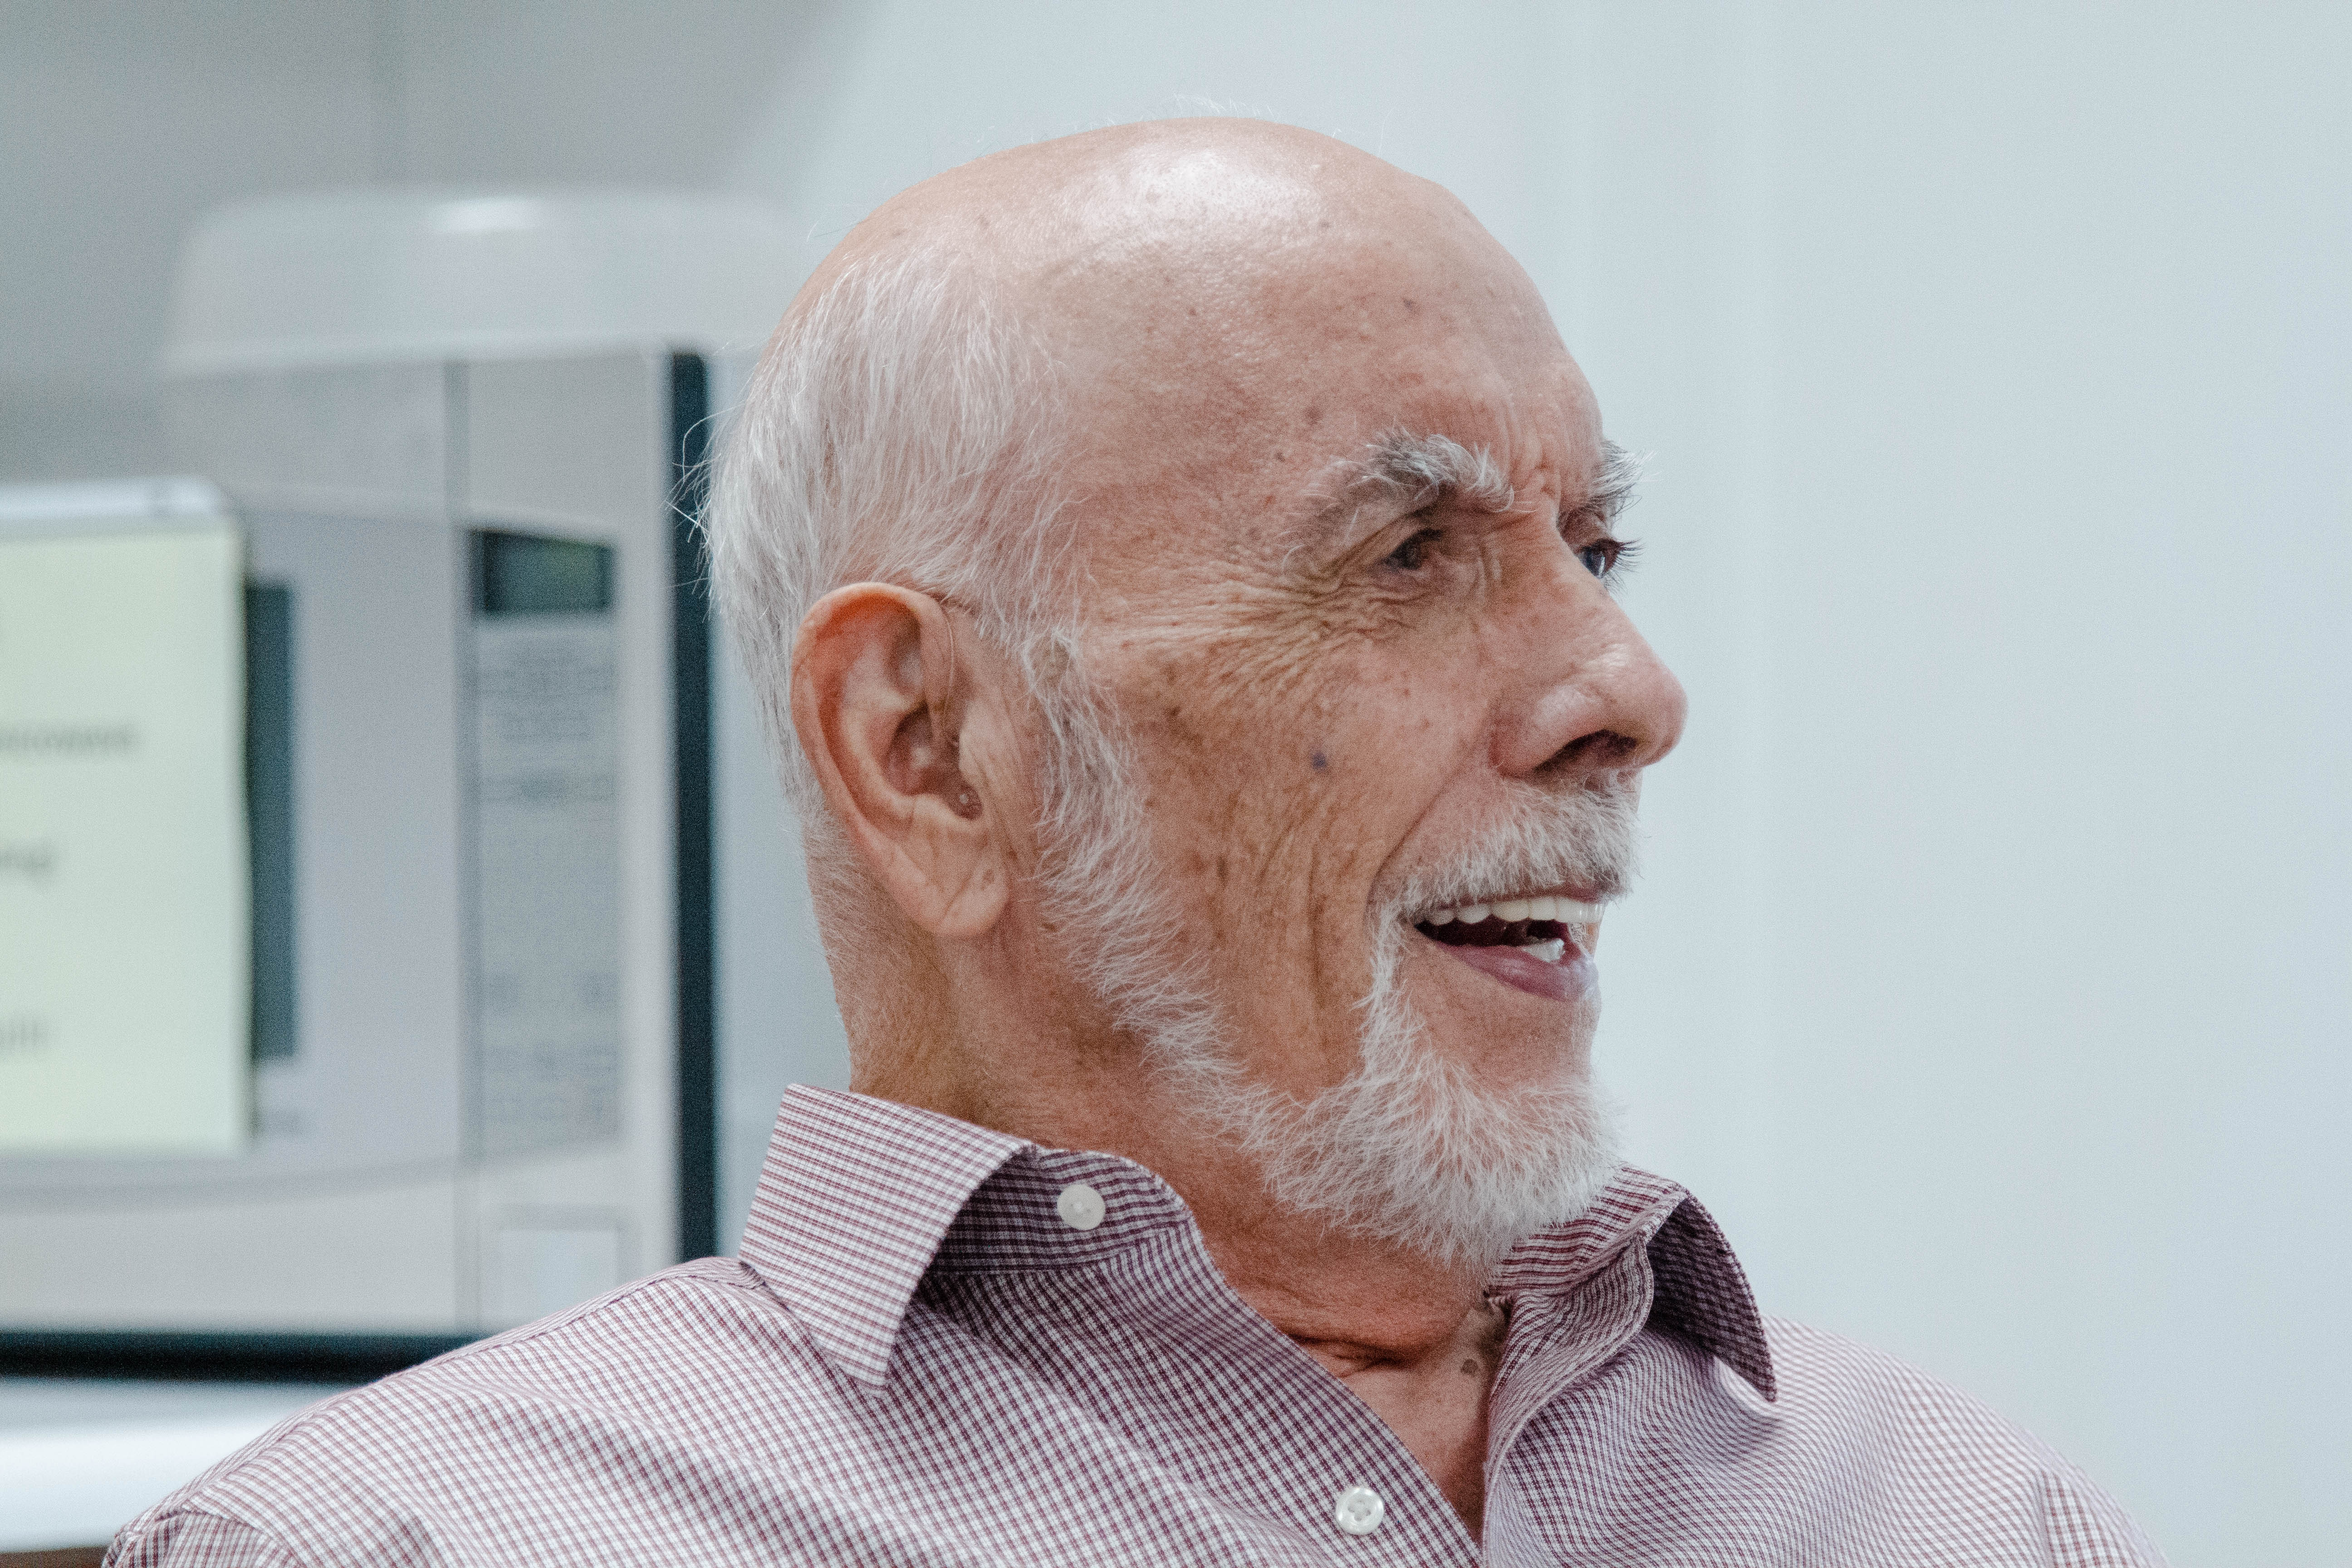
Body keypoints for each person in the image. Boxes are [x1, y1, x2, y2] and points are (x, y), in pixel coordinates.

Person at [111, 119, 2163, 1567]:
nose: (1626, 688)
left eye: (1594, 546)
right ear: (928, 749)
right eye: (1409, 554)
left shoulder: (1958, 1515)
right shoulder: (420, 1543)